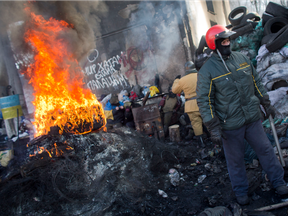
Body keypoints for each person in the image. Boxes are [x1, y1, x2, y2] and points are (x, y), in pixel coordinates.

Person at [196, 24, 288, 205]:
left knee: (266, 151)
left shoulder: (242, 59)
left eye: (228, 39)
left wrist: (265, 102)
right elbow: (204, 101)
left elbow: (257, 82)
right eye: (223, 40)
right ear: (214, 44)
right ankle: (241, 193)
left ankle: (279, 182)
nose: (227, 42)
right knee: (235, 161)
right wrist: (213, 127)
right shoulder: (207, 71)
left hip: (252, 119)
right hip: (230, 125)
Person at [172, 61, 204, 146]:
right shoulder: (200, 75)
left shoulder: (182, 80)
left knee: (196, 123)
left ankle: (202, 143)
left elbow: (175, 90)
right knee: (208, 121)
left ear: (186, 69)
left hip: (191, 106)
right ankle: (216, 142)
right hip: (203, 102)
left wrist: (176, 80)